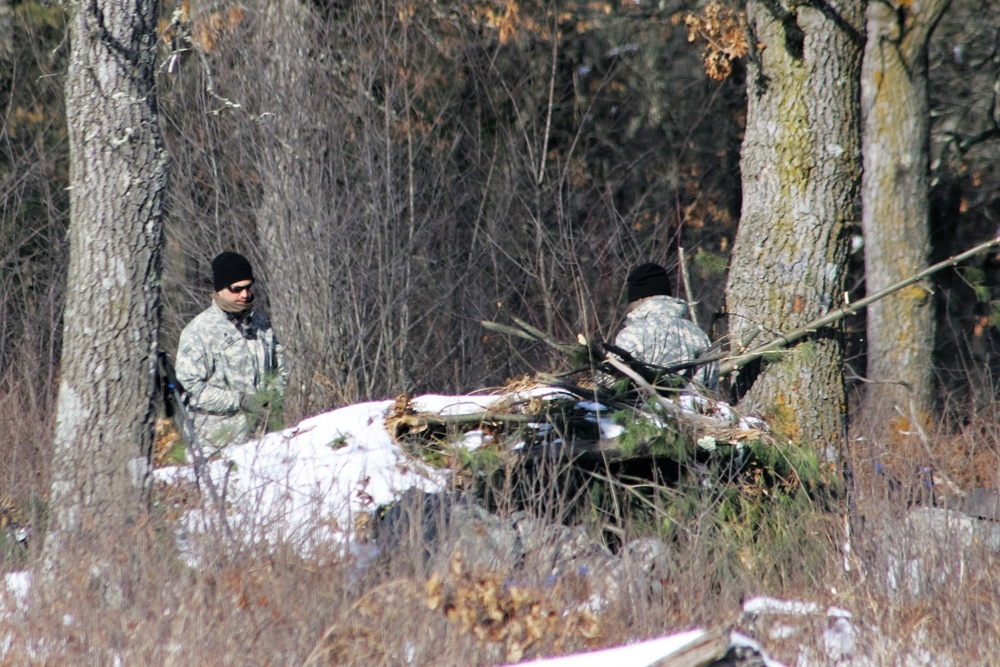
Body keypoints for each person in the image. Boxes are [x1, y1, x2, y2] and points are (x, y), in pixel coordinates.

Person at [175, 251, 289, 448]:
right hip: (215, 443)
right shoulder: (199, 331)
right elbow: (191, 387)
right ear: (220, 289)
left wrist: (271, 398)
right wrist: (240, 400)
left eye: (248, 287)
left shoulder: (260, 323)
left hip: (263, 438)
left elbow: (281, 367)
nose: (244, 295)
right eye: (236, 289)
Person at [613, 262, 719, 392]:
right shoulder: (699, 335)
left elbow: (611, 383)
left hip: (644, 410)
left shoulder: (634, 334)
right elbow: (712, 388)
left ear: (639, 299)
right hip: (693, 410)